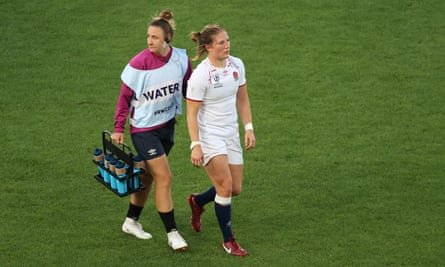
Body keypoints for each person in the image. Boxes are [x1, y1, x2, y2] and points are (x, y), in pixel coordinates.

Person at [111, 10, 191, 252]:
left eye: (155, 37)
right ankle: (172, 233)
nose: (149, 41)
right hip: (144, 131)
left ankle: (131, 221)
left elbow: (188, 89)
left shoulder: (180, 59)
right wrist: (118, 128)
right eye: (148, 36)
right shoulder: (138, 64)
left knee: (146, 176)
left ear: (167, 38)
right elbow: (124, 98)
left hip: (167, 127)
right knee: (164, 178)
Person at [185, 24, 256, 257]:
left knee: (234, 188)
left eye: (227, 41)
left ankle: (197, 201)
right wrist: (196, 145)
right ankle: (229, 241)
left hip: (230, 133)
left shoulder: (237, 65)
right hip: (209, 136)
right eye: (221, 43)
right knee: (224, 186)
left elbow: (243, 99)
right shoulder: (200, 76)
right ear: (208, 47)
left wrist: (248, 127)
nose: (227, 46)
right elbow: (191, 114)